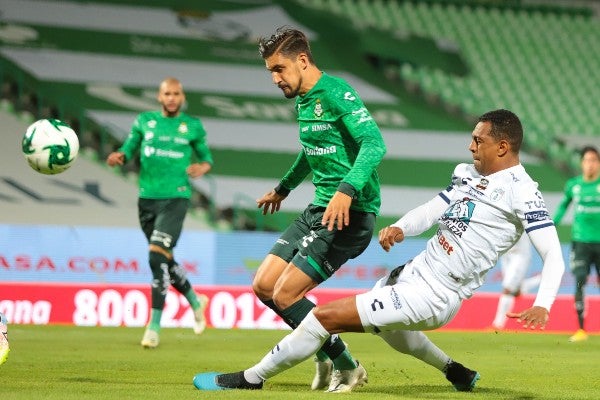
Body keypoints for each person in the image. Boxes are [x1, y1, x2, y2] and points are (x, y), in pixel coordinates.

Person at [192, 109, 565, 392]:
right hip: (417, 269)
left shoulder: (522, 190)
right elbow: (436, 207)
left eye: (478, 140)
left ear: (503, 146)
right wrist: (402, 227)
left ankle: (251, 378)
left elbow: (553, 255)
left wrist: (543, 304)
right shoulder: (467, 172)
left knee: (325, 316)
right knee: (390, 331)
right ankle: (455, 371)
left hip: (440, 292)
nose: (471, 146)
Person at [247, 27, 386, 392]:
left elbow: (374, 143)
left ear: (303, 61)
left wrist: (346, 190)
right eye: (270, 72)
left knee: (285, 295)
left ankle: (346, 364)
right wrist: (283, 188)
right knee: (263, 286)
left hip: (349, 214)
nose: (275, 79)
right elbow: (312, 149)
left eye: (279, 69)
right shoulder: (303, 101)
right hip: (318, 209)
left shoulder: (337, 93)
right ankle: (324, 353)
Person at [106, 77, 213, 348]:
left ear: (182, 96)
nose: (172, 98)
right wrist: (120, 155)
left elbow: (206, 158)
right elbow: (129, 147)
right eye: (167, 93)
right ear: (159, 96)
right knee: (164, 259)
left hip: (176, 198)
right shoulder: (144, 122)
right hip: (147, 201)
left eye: (176, 93)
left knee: (156, 256)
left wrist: (202, 167)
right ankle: (195, 299)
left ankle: (153, 327)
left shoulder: (192, 126)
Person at [553, 145, 600, 342]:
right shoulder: (574, 185)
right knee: (580, 281)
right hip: (580, 242)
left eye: (594, 160)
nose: (590, 164)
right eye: (587, 160)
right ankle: (581, 329)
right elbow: (563, 206)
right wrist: (550, 226)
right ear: (582, 163)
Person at [491, 234, 541, 330]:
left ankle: (497, 325)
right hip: (506, 253)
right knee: (515, 291)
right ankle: (542, 278)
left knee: (508, 289)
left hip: (520, 255)